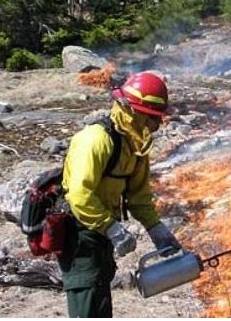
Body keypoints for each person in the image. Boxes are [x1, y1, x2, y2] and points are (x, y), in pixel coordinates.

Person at [59, 71, 182, 318]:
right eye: (152, 118)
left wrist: (156, 228)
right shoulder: (95, 140)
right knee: (88, 305)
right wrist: (112, 229)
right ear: (133, 111)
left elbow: (138, 196)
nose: (156, 126)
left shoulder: (134, 145)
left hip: (100, 232)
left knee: (101, 304)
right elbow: (80, 195)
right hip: (80, 232)